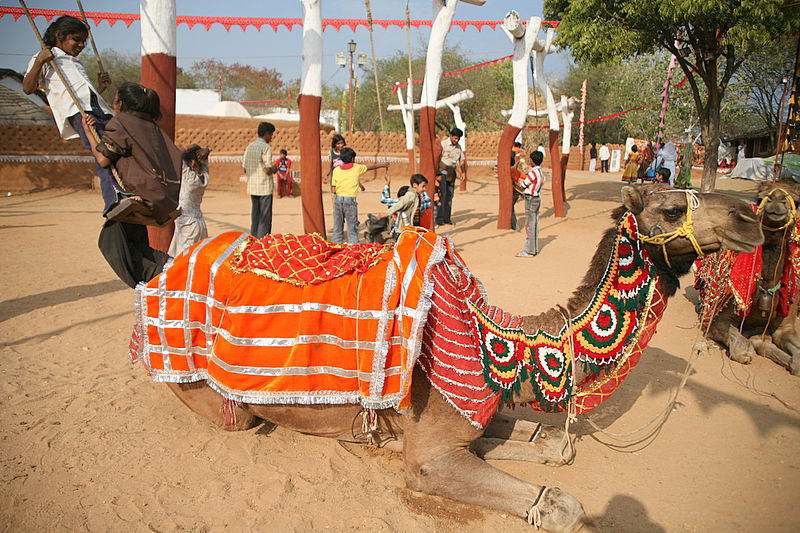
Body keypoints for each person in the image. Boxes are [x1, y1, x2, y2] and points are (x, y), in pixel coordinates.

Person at [83, 82, 183, 280]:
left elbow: (104, 159)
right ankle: (170, 266)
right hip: (162, 198)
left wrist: (88, 132)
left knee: (110, 241)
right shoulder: (154, 128)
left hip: (140, 195)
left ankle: (159, 276)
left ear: (120, 102)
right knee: (136, 242)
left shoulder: (121, 123)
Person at [23, 15, 117, 214]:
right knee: (103, 154)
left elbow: (85, 95)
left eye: (83, 41)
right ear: (59, 36)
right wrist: (40, 62)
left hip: (101, 111)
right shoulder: (46, 57)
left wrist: (100, 88)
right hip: (79, 113)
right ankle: (114, 201)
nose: (81, 45)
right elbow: (28, 88)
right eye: (76, 39)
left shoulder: (75, 62)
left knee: (121, 150)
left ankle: (127, 191)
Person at [330, 147, 389, 244]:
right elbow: (370, 167)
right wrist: (383, 165)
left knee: (337, 227)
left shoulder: (336, 170)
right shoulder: (357, 167)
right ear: (353, 159)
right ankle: (354, 248)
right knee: (352, 227)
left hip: (338, 200)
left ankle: (335, 247)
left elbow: (333, 189)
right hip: (350, 201)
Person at [169, 144, 211, 257]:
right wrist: (206, 150)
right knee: (196, 255)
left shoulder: (188, 176)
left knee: (183, 257)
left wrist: (192, 147)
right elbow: (204, 162)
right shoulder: (204, 177)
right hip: (199, 222)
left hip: (187, 223)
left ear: (191, 162)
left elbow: (177, 154)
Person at [243, 122, 277, 238]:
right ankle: (262, 242)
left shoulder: (249, 147)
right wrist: (274, 168)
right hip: (264, 188)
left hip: (253, 186)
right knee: (265, 218)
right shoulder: (266, 147)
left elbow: (244, 168)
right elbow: (267, 169)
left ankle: (253, 240)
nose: (271, 138)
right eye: (271, 135)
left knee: (255, 215)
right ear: (266, 133)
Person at [516, 150, 545, 258]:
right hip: (537, 198)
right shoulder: (541, 172)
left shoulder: (533, 172)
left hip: (530, 199)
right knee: (535, 223)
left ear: (532, 161)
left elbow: (524, 184)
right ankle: (534, 248)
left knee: (529, 225)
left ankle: (529, 250)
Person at [436, 127, 466, 226]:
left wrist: (463, 172)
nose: (456, 140)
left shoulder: (459, 147)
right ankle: (439, 218)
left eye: (458, 139)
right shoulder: (443, 144)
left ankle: (447, 218)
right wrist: (436, 173)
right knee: (442, 194)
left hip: (451, 172)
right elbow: (437, 158)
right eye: (455, 138)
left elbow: (461, 160)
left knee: (449, 195)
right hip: (442, 171)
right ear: (451, 136)